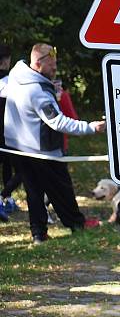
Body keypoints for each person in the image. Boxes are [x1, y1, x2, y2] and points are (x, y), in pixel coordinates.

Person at [3, 44, 106, 243]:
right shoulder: (38, 92)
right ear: (38, 63)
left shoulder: (17, 74)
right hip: (42, 151)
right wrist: (91, 128)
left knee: (33, 191)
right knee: (61, 188)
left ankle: (38, 234)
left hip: (17, 146)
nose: (55, 70)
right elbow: (58, 122)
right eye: (52, 66)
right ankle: (77, 224)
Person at [0, 45, 20, 221]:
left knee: (8, 166)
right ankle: (4, 197)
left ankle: (5, 198)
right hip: (6, 133)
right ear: (5, 61)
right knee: (16, 168)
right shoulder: (9, 82)